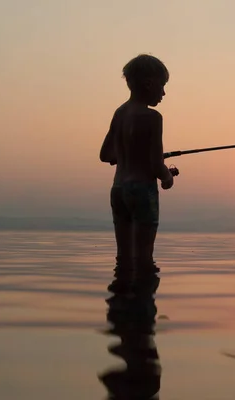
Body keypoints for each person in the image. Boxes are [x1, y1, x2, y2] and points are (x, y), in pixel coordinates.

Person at [99, 54, 178, 293]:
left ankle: (121, 310)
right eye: (162, 86)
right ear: (149, 83)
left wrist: (128, 155)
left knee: (123, 256)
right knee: (144, 258)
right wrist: (167, 176)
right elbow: (156, 165)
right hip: (142, 192)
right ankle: (141, 317)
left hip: (119, 191)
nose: (163, 93)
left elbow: (105, 154)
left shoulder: (120, 113)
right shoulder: (153, 118)